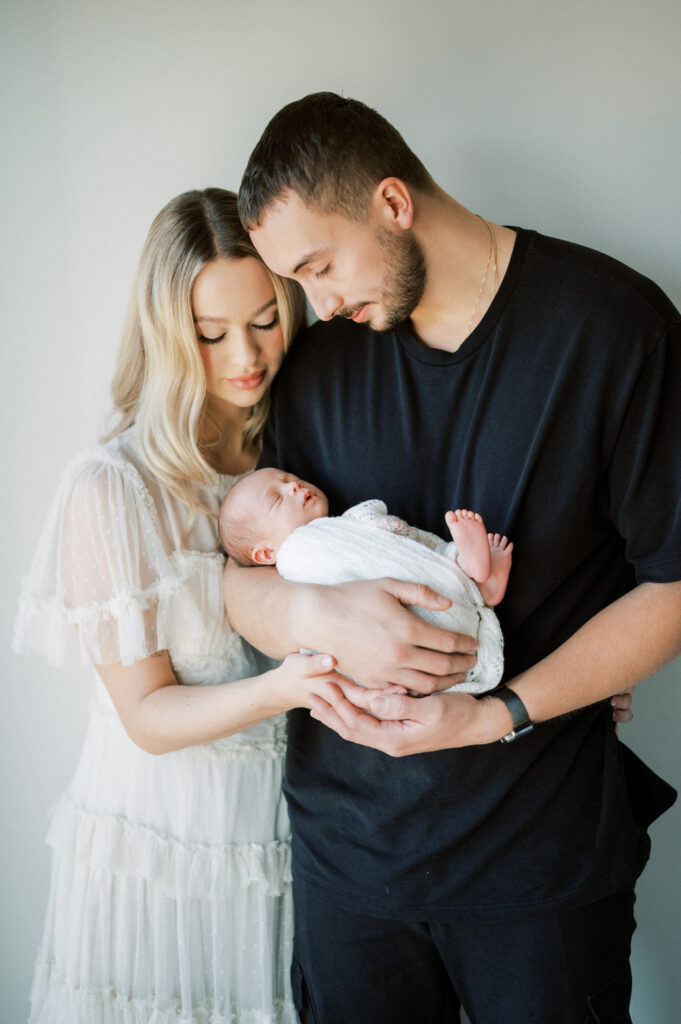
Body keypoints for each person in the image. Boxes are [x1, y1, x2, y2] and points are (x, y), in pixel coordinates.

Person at [224, 93, 681, 1023]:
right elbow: (243, 577)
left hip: (539, 868)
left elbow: (672, 585)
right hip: (347, 869)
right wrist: (312, 616)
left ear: (392, 203)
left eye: (319, 267)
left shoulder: (612, 326)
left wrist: (493, 714)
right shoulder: (319, 363)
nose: (318, 305)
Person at [13, 187, 346, 1024]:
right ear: (166, 333)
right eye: (210, 333)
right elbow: (147, 716)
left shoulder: (299, 450)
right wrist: (286, 687)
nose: (247, 356)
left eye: (265, 320)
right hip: (160, 838)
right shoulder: (111, 486)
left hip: (285, 832)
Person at [219, 467, 511, 692]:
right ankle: (474, 580)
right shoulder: (294, 563)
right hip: (392, 630)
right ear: (266, 553)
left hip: (421, 584)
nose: (293, 486)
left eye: (291, 479)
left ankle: (478, 578)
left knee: (427, 556)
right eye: (276, 499)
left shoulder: (343, 526)